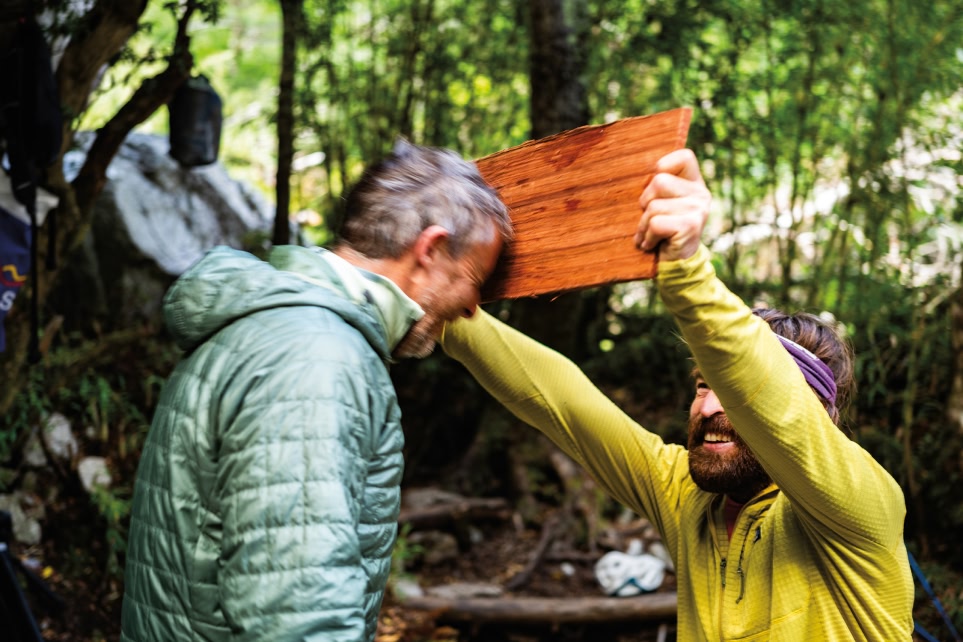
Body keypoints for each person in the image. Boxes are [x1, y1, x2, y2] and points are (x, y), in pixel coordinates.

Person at [440, 149, 914, 640]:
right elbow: (564, 404)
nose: (708, 408)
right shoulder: (686, 497)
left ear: (813, 417)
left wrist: (687, 269)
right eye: (702, 385)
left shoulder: (859, 506)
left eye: (731, 392)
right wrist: (442, 303)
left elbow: (774, 400)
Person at [120, 139, 513, 642]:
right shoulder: (317, 358)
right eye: (475, 280)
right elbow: (299, 612)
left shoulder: (276, 326)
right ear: (431, 250)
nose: (473, 309)